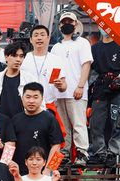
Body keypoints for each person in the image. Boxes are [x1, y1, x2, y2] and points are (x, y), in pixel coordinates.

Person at [51, 12, 93, 167]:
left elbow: (86, 65)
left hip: (76, 91)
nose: (67, 24)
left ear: (76, 24)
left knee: (78, 124)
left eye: (70, 21)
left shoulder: (82, 43)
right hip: (59, 93)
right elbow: (54, 69)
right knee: (64, 126)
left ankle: (82, 153)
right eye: (64, 22)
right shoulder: (56, 47)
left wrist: (80, 86)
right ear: (60, 26)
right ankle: (65, 153)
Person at [11, 83, 63, 174]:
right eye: (28, 97)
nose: (31, 101)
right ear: (22, 98)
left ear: (42, 99)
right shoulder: (15, 119)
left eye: (35, 97)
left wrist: (48, 170)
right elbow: (10, 144)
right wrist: (8, 164)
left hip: (43, 172)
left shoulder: (50, 119)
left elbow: (57, 147)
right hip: (19, 172)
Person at [89, 25, 120, 164]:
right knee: (96, 122)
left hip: (117, 87)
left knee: (117, 122)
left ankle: (113, 152)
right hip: (101, 86)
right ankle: (99, 152)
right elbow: (91, 70)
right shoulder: (94, 48)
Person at [20, 24, 68, 106]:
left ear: (48, 38)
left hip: (48, 105)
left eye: (42, 35)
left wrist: (60, 86)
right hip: (26, 105)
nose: (39, 38)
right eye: (36, 35)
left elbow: (63, 86)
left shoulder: (56, 60)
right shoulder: (23, 59)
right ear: (31, 39)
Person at [0, 42, 33, 119]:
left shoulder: (29, 79)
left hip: (23, 121)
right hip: (1, 122)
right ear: (6, 57)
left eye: (21, 56)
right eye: (14, 56)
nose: (18, 60)